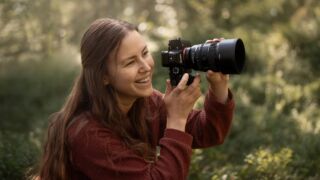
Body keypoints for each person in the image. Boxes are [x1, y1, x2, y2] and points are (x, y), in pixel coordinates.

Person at [37, 18, 235, 180]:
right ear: (103, 76)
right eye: (130, 62)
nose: (146, 66)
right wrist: (176, 119)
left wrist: (218, 86)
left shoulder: (146, 103)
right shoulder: (87, 134)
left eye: (145, 53)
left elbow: (209, 132)